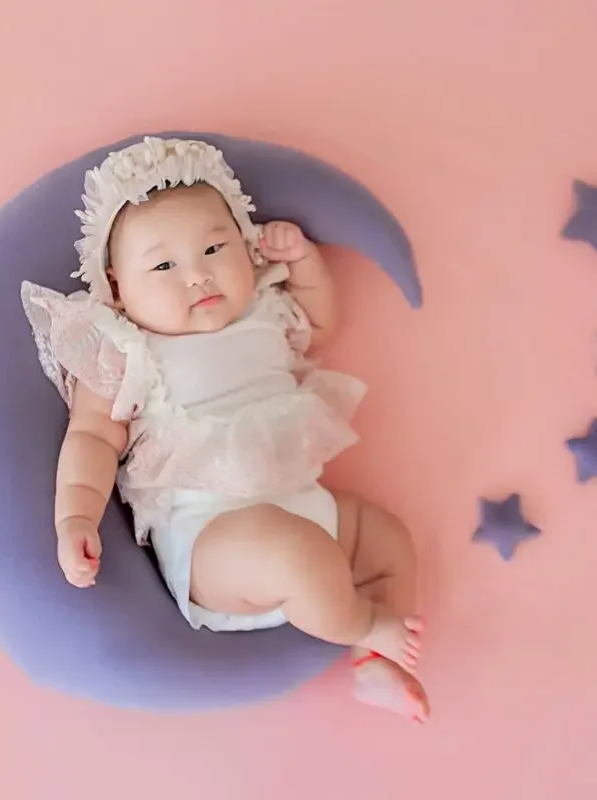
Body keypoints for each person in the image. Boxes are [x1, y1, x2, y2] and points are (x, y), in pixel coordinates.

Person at [21, 136, 429, 721]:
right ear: (115, 287)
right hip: (214, 538)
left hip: (304, 504)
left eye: (215, 248)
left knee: (388, 540)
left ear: (245, 246)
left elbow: (320, 320)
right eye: (164, 265)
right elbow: (90, 438)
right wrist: (76, 517)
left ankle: (376, 668)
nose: (198, 276)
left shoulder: (264, 311)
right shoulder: (128, 351)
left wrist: (305, 263)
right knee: (298, 554)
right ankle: (365, 624)